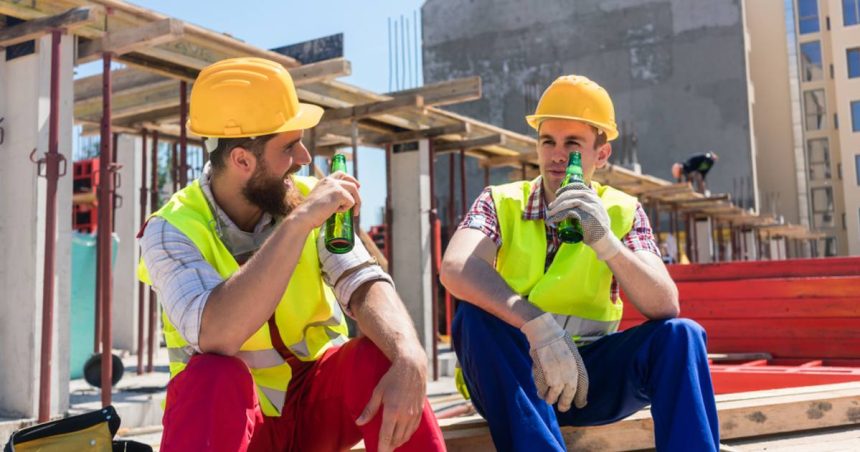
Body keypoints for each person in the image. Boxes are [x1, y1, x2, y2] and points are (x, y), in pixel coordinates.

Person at [138, 57, 445, 452]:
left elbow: (361, 279)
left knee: (383, 355)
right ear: (242, 161)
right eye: (288, 146)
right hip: (239, 428)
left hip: (316, 406)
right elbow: (216, 335)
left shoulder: (304, 194)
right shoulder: (171, 229)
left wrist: (409, 353)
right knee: (212, 375)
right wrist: (299, 223)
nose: (303, 158)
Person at [440, 75, 719, 451]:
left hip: (589, 382)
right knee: (473, 317)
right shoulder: (500, 201)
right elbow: (455, 267)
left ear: (600, 155)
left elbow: (665, 304)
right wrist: (536, 326)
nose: (557, 154)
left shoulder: (622, 211)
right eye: (547, 141)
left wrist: (606, 243)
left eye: (572, 144)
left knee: (681, 335)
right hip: (515, 380)